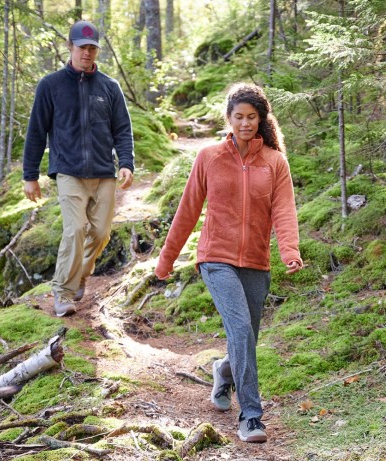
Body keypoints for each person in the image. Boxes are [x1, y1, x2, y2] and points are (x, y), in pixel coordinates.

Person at [155, 82, 303, 443]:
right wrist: (166, 260)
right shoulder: (208, 157)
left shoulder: (274, 161)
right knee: (240, 331)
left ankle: (224, 370)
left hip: (256, 261)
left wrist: (289, 250)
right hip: (215, 259)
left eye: (252, 117)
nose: (245, 123)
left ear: (261, 119)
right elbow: (187, 210)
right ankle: (251, 416)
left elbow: (284, 210)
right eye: (239, 117)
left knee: (246, 338)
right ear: (229, 118)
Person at [23, 20, 134, 317]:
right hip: (68, 171)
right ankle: (63, 292)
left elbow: (122, 129)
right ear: (70, 47)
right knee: (75, 230)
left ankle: (82, 271)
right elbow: (36, 131)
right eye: (82, 47)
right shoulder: (51, 85)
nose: (87, 53)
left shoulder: (110, 87)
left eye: (92, 48)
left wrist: (126, 163)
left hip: (103, 172)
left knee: (100, 233)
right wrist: (29, 175)